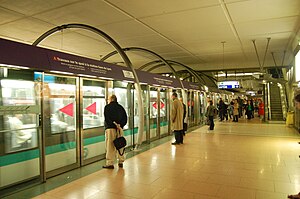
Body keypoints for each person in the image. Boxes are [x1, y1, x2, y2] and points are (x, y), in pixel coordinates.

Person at [102, 94, 127, 169]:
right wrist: (120, 125)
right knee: (120, 144)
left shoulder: (107, 107)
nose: (108, 101)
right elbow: (125, 118)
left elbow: (107, 118)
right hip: (120, 129)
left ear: (111, 99)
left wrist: (113, 124)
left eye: (108, 99)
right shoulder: (121, 108)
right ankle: (121, 161)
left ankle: (110, 163)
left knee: (110, 145)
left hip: (110, 129)